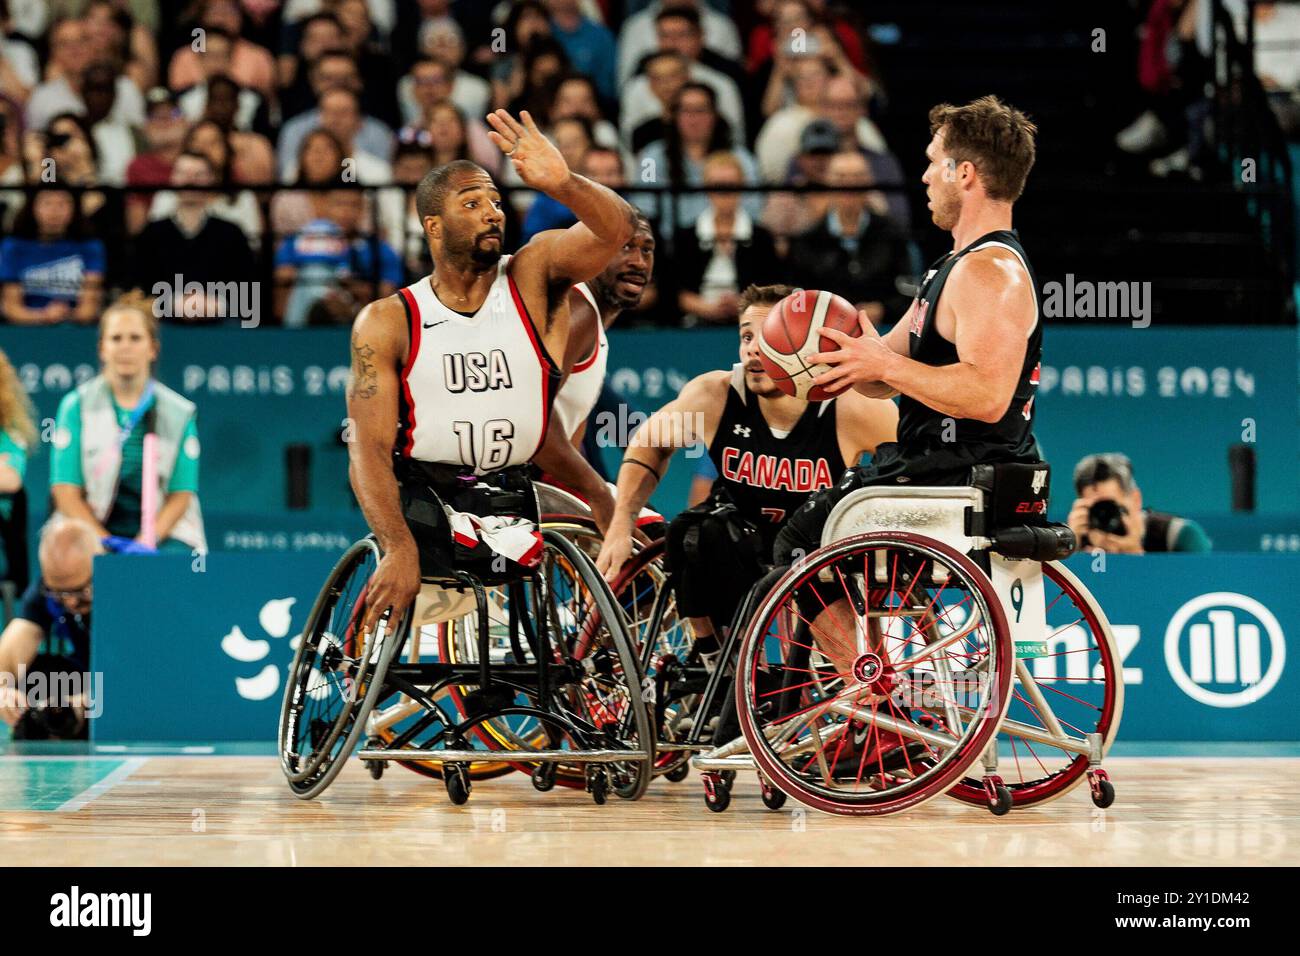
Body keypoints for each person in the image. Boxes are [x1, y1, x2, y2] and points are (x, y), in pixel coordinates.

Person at [773, 96, 1042, 684]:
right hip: (939, 466)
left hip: (959, 473)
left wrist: (884, 369)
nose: (922, 175)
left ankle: (874, 699)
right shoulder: (951, 267)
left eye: (932, 161)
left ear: (963, 173)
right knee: (811, 531)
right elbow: (880, 368)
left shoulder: (988, 273)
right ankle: (869, 694)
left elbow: (986, 394)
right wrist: (826, 359)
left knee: (797, 541)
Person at [345, 110, 637, 637]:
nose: (492, 214)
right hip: (426, 497)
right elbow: (366, 450)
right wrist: (397, 547)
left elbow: (616, 232)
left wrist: (565, 182)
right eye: (472, 203)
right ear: (433, 225)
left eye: (496, 202)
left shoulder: (533, 273)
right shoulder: (387, 321)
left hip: (513, 492)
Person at [595, 283, 898, 672]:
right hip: (741, 540)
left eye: (767, 337)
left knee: (855, 657)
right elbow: (648, 444)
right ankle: (713, 658)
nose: (753, 349)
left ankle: (862, 687)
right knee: (692, 530)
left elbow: (910, 469)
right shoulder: (715, 394)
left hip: (816, 550)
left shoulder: (853, 407)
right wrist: (621, 525)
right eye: (745, 336)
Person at [50, 293, 205, 553]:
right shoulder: (75, 406)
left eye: (135, 338)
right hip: (89, 529)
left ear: (152, 348)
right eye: (116, 338)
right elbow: (65, 491)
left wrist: (146, 541)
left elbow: (181, 495)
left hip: (162, 533)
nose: (125, 347)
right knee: (68, 560)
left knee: (174, 563)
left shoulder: (180, 412)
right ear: (102, 348)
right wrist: (105, 542)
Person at [0, 516, 154, 739]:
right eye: (61, 594)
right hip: (90, 675)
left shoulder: (143, 572)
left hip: (141, 677)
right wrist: (4, 689)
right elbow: (17, 639)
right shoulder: (47, 587)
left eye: (81, 590)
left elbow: (157, 664)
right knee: (37, 675)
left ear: (101, 561)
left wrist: (92, 698)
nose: (71, 602)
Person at [553, 210, 656, 446]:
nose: (638, 262)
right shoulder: (578, 312)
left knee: (645, 444)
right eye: (626, 247)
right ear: (591, 250)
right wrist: (595, 485)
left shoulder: (591, 316)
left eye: (647, 250)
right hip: (511, 473)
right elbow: (537, 423)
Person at [787, 150, 913, 324]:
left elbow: (909, 294)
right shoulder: (806, 242)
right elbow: (797, 301)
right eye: (841, 177)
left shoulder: (892, 234)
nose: (849, 185)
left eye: (857, 177)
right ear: (828, 182)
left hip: (882, 332)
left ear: (870, 182)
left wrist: (882, 309)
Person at [132, 150, 258, 319]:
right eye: (183, 174)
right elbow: (136, 290)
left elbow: (251, 294)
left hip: (223, 328)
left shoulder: (231, 233)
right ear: (172, 178)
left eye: (199, 175)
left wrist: (217, 305)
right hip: (163, 326)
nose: (190, 180)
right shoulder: (152, 233)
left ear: (211, 180)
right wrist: (171, 304)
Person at [671, 151, 779, 326]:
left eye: (731, 184)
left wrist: (742, 305)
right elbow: (674, 290)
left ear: (742, 186)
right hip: (693, 324)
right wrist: (706, 308)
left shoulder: (761, 237)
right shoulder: (686, 237)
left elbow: (772, 290)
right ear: (706, 187)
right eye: (717, 185)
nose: (724, 191)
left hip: (751, 323)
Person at [275, 187, 403, 327]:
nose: (346, 212)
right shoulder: (298, 240)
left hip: (359, 320)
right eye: (339, 204)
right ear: (324, 206)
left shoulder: (379, 248)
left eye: (354, 205)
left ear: (362, 210)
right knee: (314, 271)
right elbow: (281, 291)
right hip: (303, 316)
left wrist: (349, 289)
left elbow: (387, 297)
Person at [1068, 452, 1211, 553]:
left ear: (1136, 499)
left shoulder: (1178, 536)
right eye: (1096, 508)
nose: (1104, 515)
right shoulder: (1078, 536)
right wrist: (1071, 549)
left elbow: (1205, 585)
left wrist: (1135, 555)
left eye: (1112, 506)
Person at [0, 189, 105, 324]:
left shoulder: (91, 247)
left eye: (62, 204)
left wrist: (65, 316)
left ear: (74, 209)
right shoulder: (13, 246)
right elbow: (11, 308)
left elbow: (89, 308)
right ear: (32, 207)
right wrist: (43, 316)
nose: (54, 211)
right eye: (47, 204)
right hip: (25, 329)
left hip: (74, 330)